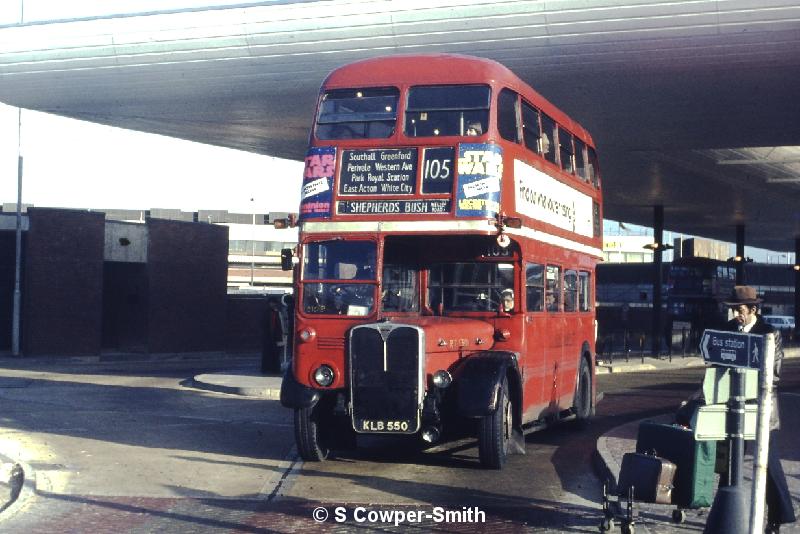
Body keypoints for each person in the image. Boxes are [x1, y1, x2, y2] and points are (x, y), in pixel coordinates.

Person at [721, 286, 796, 533]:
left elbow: (773, 375)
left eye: (739, 310)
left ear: (753, 309)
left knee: (769, 463)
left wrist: (744, 381)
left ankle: (777, 517)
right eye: (733, 309)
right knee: (730, 460)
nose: (735, 315)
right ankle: (724, 512)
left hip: (763, 409)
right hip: (735, 406)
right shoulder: (730, 330)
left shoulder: (770, 333)